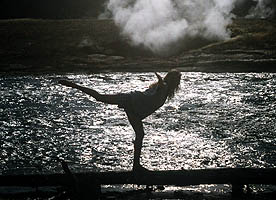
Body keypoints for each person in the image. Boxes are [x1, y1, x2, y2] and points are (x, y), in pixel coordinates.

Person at [59, 69, 181, 171]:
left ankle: (136, 166)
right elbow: (161, 85)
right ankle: (73, 85)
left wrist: (161, 81)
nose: (176, 81)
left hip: (135, 111)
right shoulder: (162, 87)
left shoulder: (164, 90)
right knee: (99, 97)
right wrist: (160, 80)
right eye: (175, 79)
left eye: (177, 80)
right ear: (171, 79)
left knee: (140, 135)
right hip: (129, 100)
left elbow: (154, 93)